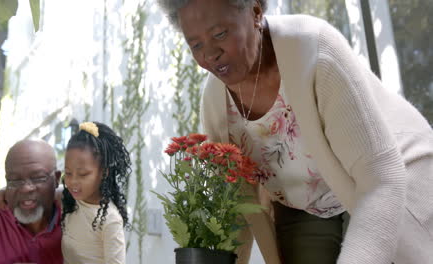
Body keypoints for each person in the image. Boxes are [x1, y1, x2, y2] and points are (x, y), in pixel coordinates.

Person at [157, 0, 433, 264]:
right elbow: (236, 208)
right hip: (304, 204)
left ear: (254, 12)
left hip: (391, 175)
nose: (209, 53)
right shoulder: (216, 102)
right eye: (195, 44)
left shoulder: (316, 51)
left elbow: (381, 180)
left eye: (219, 33)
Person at [0, 139, 63, 263]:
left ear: (56, 178)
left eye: (38, 178)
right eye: (15, 180)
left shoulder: (78, 218)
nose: (25, 188)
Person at [60, 121, 130, 264]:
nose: (73, 181)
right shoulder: (70, 200)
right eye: (68, 173)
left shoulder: (110, 220)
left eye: (83, 174)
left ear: (104, 172)